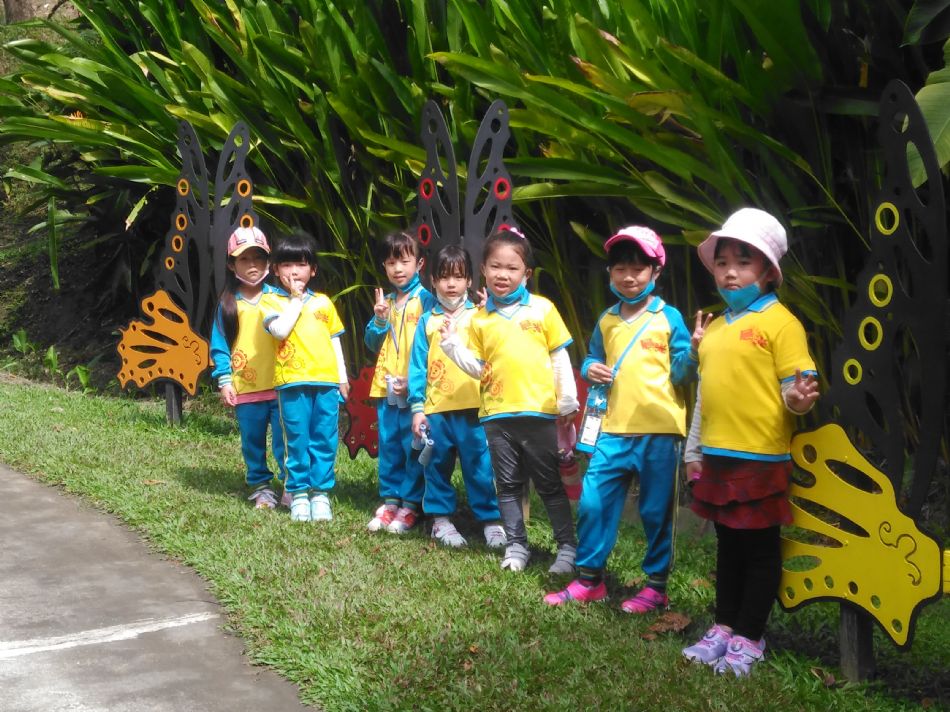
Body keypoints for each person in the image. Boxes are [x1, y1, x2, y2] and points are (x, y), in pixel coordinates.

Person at [680, 208, 819, 677]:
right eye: (722, 262)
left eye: (744, 261)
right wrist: (694, 451)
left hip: (760, 457)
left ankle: (750, 636)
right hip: (717, 457)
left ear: (769, 271)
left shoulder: (782, 323)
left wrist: (797, 399)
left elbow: (795, 389)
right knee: (728, 546)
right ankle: (724, 626)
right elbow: (705, 396)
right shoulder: (716, 328)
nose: (730, 271)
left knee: (760, 550)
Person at [543, 226, 706, 612]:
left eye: (638, 269)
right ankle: (589, 580)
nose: (628, 277)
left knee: (655, 511)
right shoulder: (607, 320)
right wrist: (590, 368)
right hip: (612, 429)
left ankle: (656, 587)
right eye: (620, 269)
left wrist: (694, 352)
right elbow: (592, 358)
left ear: (656, 272)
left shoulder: (669, 318)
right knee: (594, 502)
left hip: (660, 431)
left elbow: (682, 373)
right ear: (610, 273)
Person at [440, 227, 579, 573]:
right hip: (496, 415)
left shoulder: (543, 309)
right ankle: (516, 546)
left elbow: (559, 356)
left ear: (526, 274)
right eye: (495, 266)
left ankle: (567, 548)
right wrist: (452, 346)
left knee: (549, 484)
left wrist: (567, 400)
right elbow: (479, 368)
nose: (503, 274)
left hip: (539, 412)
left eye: (512, 268)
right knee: (507, 485)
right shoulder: (479, 320)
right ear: (483, 270)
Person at [407, 245, 507, 549]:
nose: (451, 284)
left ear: (469, 280)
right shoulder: (427, 321)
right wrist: (417, 408)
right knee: (436, 465)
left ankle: (491, 521)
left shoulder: (481, 316)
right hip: (437, 409)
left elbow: (497, 352)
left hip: (476, 408)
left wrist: (493, 311)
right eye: (444, 277)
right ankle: (440, 520)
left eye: (459, 277)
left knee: (480, 467)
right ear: (433, 280)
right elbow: (417, 366)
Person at [261, 231, 349, 522]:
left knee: (324, 438)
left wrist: (342, 377)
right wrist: (296, 300)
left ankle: (320, 493)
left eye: (301, 264)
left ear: (313, 270)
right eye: (286, 264)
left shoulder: (323, 302)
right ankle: (298, 493)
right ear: (275, 270)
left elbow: (335, 341)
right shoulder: (271, 302)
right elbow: (279, 331)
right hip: (291, 382)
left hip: (326, 382)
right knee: (296, 438)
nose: (294, 271)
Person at [210, 226, 288, 509]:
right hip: (246, 388)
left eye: (258, 257)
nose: (252, 264)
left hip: (281, 386)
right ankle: (260, 486)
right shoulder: (228, 305)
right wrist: (224, 380)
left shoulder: (281, 299)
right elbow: (220, 345)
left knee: (285, 441)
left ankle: (291, 485)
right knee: (252, 441)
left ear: (269, 261)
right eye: (244, 258)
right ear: (232, 265)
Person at [364, 231, 433, 534]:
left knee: (413, 445)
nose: (398, 269)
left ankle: (411, 503)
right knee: (390, 443)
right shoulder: (387, 302)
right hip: (386, 387)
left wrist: (419, 382)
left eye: (404, 261)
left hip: (415, 390)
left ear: (419, 263)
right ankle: (391, 500)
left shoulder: (427, 300)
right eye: (391, 263)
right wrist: (379, 319)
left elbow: (435, 345)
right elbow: (370, 342)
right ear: (384, 266)